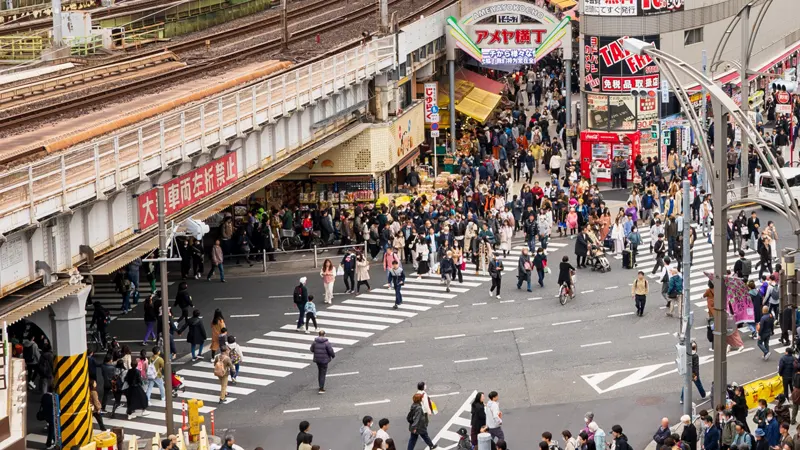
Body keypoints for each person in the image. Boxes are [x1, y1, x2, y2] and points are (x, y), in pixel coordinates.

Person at [309, 330, 335, 394]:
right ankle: (321, 388)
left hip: (317, 359)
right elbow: (330, 351)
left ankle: (320, 385)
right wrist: (333, 356)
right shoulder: (326, 343)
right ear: (324, 334)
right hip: (324, 360)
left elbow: (311, 349)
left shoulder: (315, 342)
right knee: (323, 373)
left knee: (320, 371)